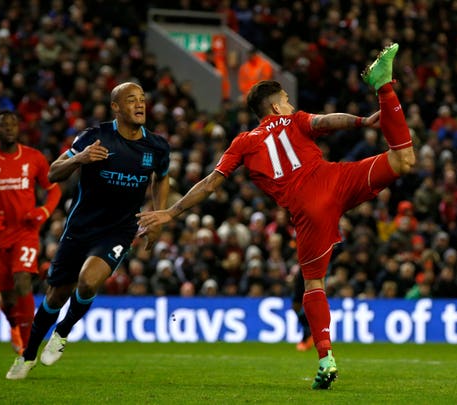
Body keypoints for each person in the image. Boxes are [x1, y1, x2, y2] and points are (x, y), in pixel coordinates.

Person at [137, 43, 415, 389]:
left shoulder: (242, 143)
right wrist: (361, 121)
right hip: (335, 180)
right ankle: (384, 86)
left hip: (307, 209)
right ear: (274, 105)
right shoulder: (294, 120)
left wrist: (171, 211)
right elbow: (324, 122)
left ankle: (326, 358)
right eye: (286, 98)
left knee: (314, 284)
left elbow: (210, 184)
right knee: (404, 160)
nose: (291, 104)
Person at [5, 82, 171, 380]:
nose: (140, 104)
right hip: (81, 228)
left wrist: (158, 214)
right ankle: (28, 354)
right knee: (56, 296)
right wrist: (80, 158)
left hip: (119, 230)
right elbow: (53, 172)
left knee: (89, 280)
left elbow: (162, 177)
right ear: (116, 107)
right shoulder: (96, 137)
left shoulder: (156, 146)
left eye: (143, 99)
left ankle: (63, 332)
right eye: (131, 100)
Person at [0, 111, 62, 356]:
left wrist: (44, 212)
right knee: (7, 297)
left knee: (23, 279)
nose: (9, 128)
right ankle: (15, 327)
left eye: (13, 125)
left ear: (18, 129)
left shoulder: (33, 157)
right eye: (3, 125)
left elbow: (54, 189)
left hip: (26, 232)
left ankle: (29, 346)